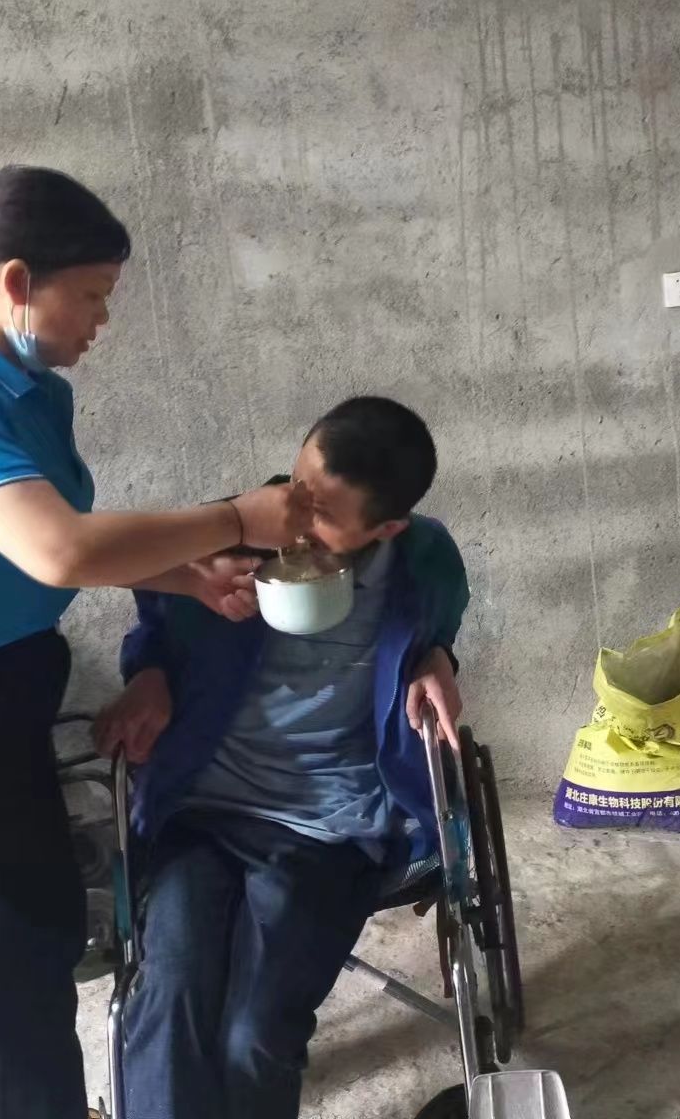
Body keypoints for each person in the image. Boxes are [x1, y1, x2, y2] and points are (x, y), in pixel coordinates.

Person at [0, 165, 309, 1119]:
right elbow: (58, 548)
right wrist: (235, 518)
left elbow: (48, 552)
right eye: (92, 295)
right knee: (2, 995)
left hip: (12, 691)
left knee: (48, 937)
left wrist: (186, 576)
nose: (102, 320)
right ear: (18, 282)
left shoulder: (30, 389)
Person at [93, 397, 469, 1119]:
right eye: (296, 488)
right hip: (202, 808)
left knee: (255, 1033)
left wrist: (437, 657)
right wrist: (150, 675)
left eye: (320, 516)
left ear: (386, 529)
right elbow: (156, 623)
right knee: (170, 999)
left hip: (332, 828)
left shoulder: (423, 559)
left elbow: (439, 619)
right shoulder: (232, 530)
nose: (293, 518)